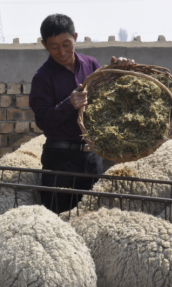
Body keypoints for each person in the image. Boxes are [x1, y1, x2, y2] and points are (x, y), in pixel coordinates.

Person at [29, 14, 134, 214]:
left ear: (75, 37)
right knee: (60, 222)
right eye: (54, 46)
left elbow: (109, 97)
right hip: (60, 161)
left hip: (92, 158)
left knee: (92, 217)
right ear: (44, 45)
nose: (62, 52)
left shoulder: (90, 64)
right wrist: (69, 104)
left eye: (67, 44)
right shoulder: (42, 78)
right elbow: (42, 120)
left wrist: (119, 70)